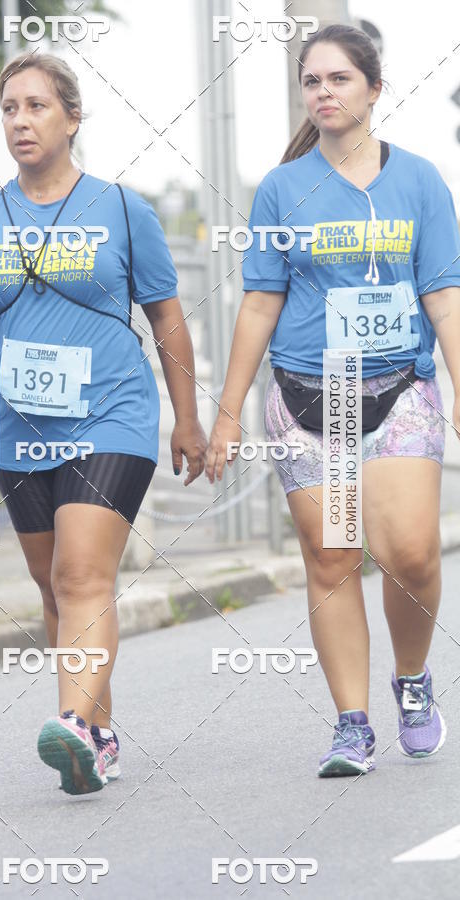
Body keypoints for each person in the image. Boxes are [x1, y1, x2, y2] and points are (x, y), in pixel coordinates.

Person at [0, 52, 207, 794]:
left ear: (72, 119)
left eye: (37, 106)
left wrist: (188, 418)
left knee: (82, 574)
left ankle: (71, 722)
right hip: (18, 425)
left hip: (112, 414)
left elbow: (167, 319)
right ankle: (95, 737)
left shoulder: (121, 209)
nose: (21, 121)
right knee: (53, 588)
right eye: (10, 108)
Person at [205, 24, 460, 776]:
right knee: (333, 555)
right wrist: (227, 412)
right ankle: (353, 724)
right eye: (312, 81)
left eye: (339, 79)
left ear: (374, 89)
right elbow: (259, 304)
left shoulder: (420, 182)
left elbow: (444, 296)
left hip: (398, 388)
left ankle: (411, 678)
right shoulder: (282, 190)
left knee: (410, 553)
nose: (323, 92)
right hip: (307, 396)